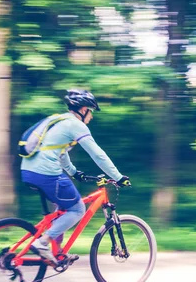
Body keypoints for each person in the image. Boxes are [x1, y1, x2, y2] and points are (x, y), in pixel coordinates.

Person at [20, 89, 131, 266]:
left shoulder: (59, 120)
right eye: (91, 111)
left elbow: (60, 153)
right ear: (84, 109)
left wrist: (73, 172)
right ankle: (43, 243)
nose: (91, 117)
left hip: (28, 170)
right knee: (77, 209)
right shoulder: (76, 125)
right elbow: (98, 155)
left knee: (63, 208)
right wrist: (117, 177)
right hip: (46, 172)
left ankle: (57, 253)